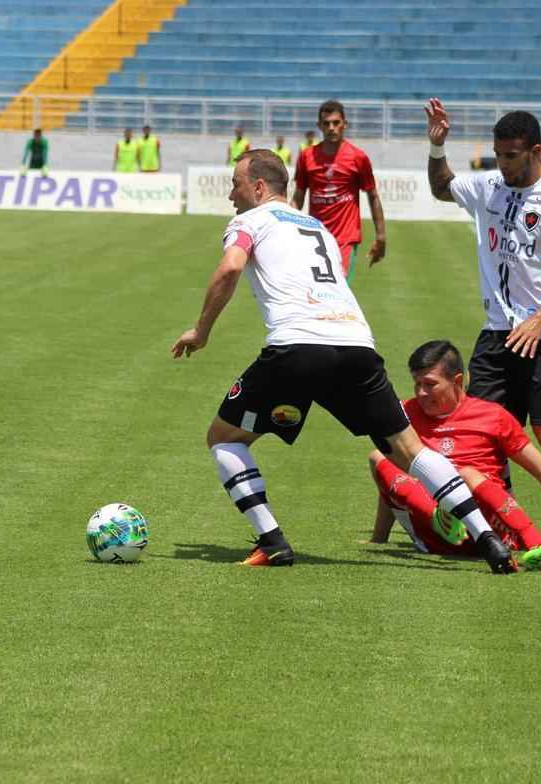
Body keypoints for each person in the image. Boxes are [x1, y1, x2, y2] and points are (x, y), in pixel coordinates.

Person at [170, 149, 516, 573]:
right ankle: (488, 538)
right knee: (410, 449)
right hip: (356, 344)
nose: (230, 194)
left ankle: (273, 541)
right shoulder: (316, 226)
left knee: (224, 438)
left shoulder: (249, 221)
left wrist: (201, 330)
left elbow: (229, 269)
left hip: (296, 346)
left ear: (259, 187)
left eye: (235, 184)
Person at [424, 99, 541, 551]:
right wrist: (437, 146)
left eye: (511, 157)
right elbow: (442, 187)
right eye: (498, 155)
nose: (501, 166)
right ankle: (505, 520)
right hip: (498, 330)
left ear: (537, 151)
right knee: (483, 431)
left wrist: (540, 319)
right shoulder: (489, 187)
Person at [368, 340, 541, 567]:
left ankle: (535, 544)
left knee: (465, 475)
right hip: (433, 532)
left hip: (492, 527)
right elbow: (390, 483)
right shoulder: (407, 413)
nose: (421, 392)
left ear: (458, 380)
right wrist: (378, 538)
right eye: (417, 384)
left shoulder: (493, 417)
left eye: (430, 384)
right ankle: (441, 518)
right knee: (380, 456)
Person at [292, 99, 387, 280]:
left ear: (345, 124)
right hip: (314, 238)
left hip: (345, 240)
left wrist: (381, 236)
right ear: (319, 126)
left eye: (336, 123)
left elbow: (373, 196)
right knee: (315, 296)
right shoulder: (306, 157)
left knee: (337, 292)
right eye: (326, 123)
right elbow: (298, 196)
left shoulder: (358, 158)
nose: (331, 128)